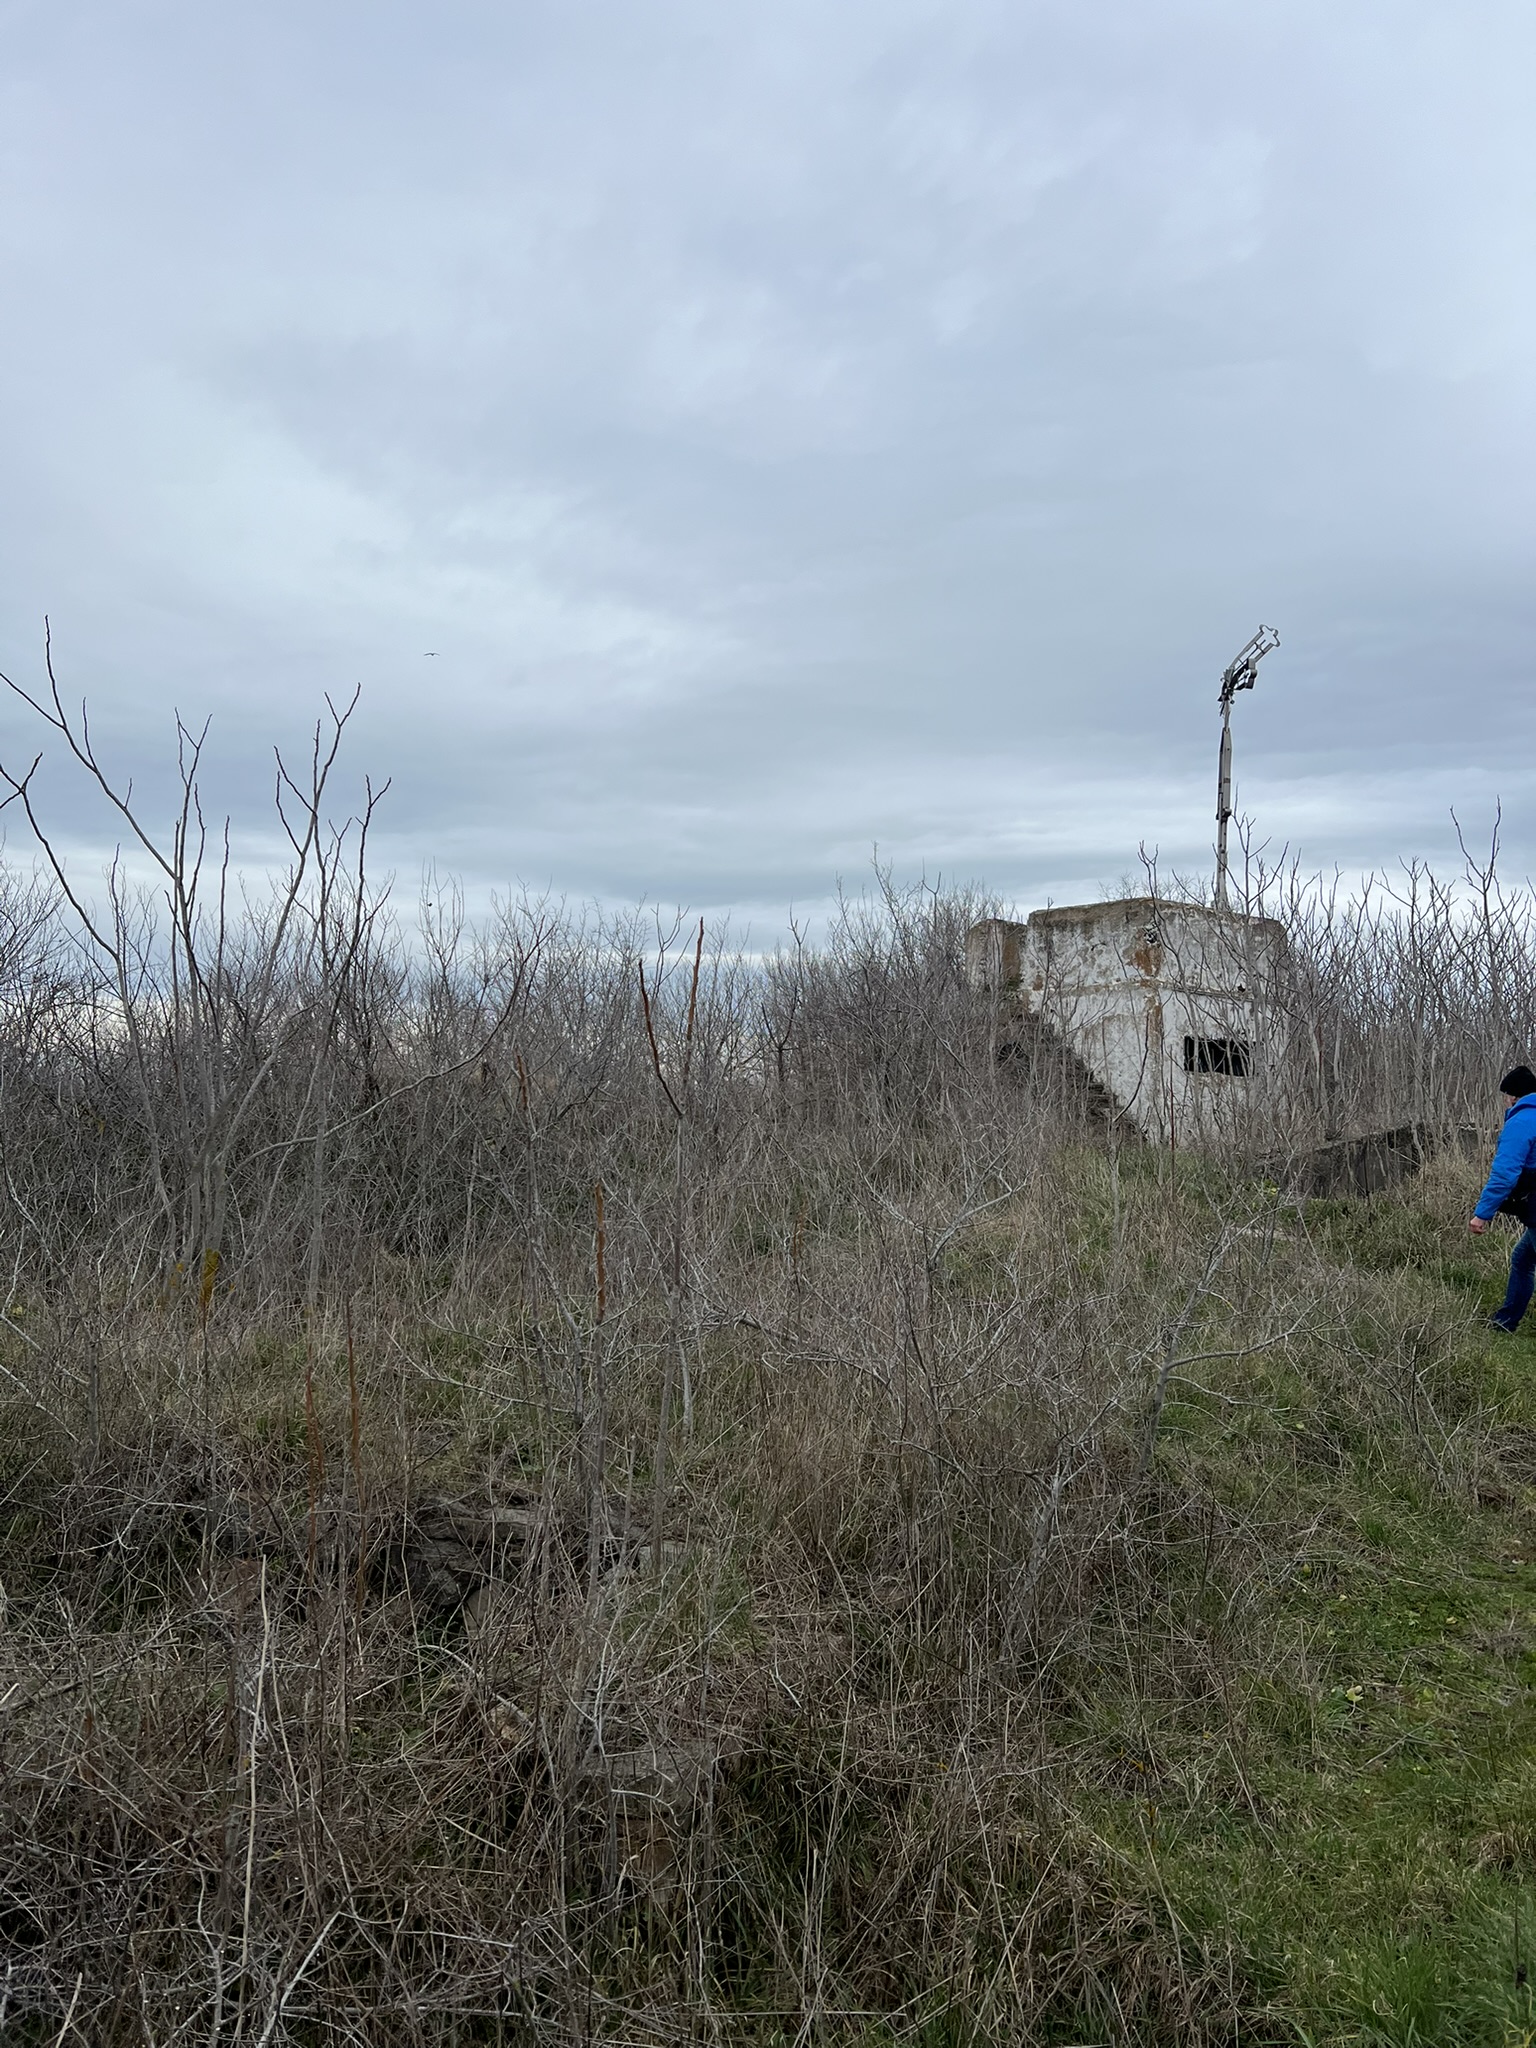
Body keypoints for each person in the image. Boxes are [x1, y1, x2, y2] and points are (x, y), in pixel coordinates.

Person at [1469, 1064, 1536, 1332]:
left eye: (1506, 1096)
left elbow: (1504, 1174)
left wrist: (1482, 1214)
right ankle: (1506, 1322)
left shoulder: (1522, 1121)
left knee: (1523, 1260)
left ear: (1514, 1097)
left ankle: (1505, 1323)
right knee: (1522, 1259)